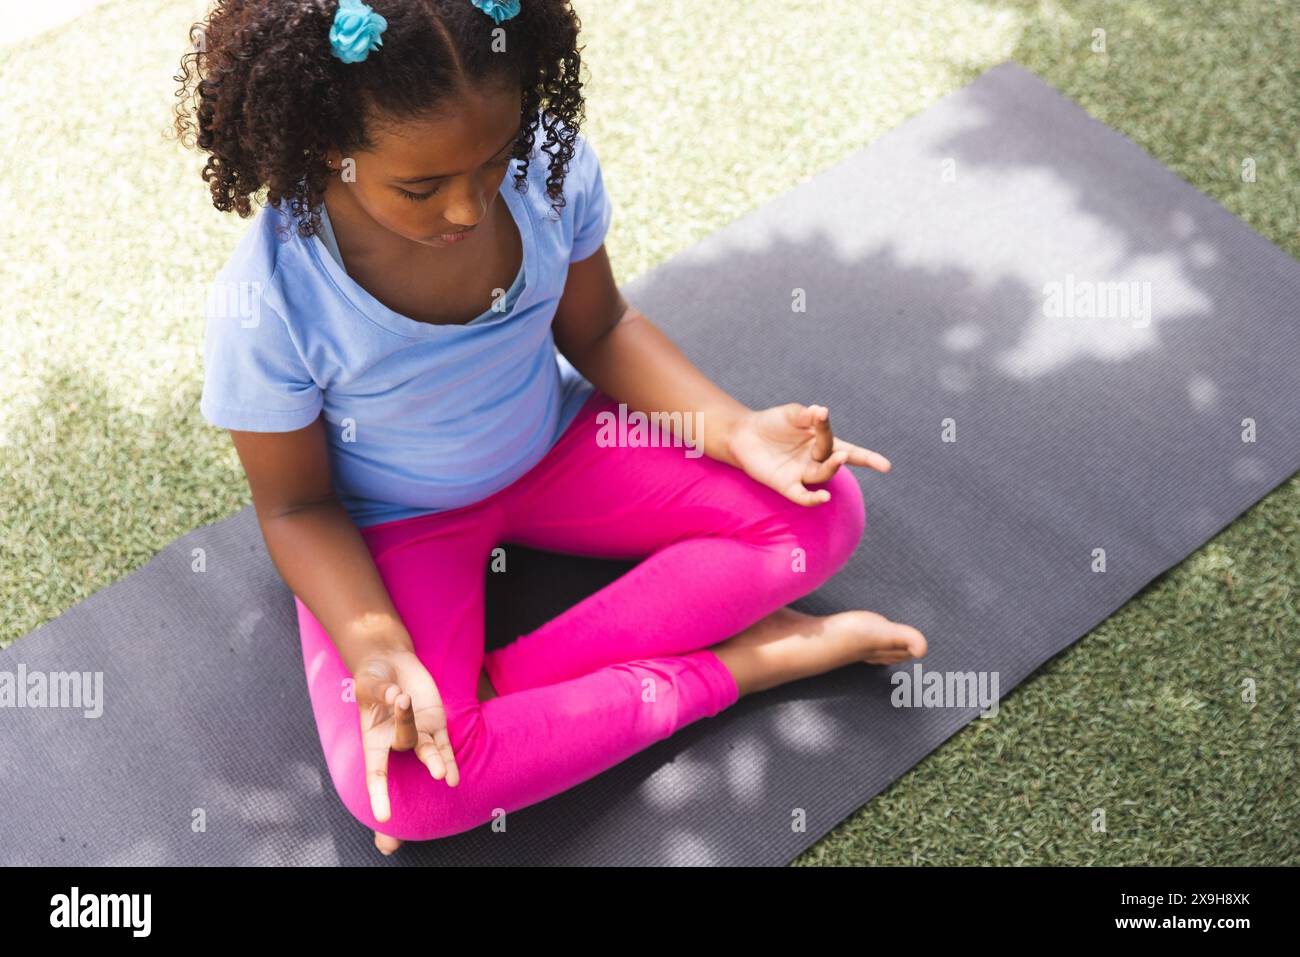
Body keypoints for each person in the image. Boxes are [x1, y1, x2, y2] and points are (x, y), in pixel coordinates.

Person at [174, 0, 926, 854]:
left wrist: (732, 428)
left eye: (490, 161)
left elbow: (600, 328)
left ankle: (505, 689)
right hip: (398, 523)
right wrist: (377, 645)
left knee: (822, 513)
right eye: (420, 188)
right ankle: (746, 663)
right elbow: (297, 508)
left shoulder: (546, 167)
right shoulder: (268, 298)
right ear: (324, 149)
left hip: (563, 445)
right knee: (409, 796)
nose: (466, 207)